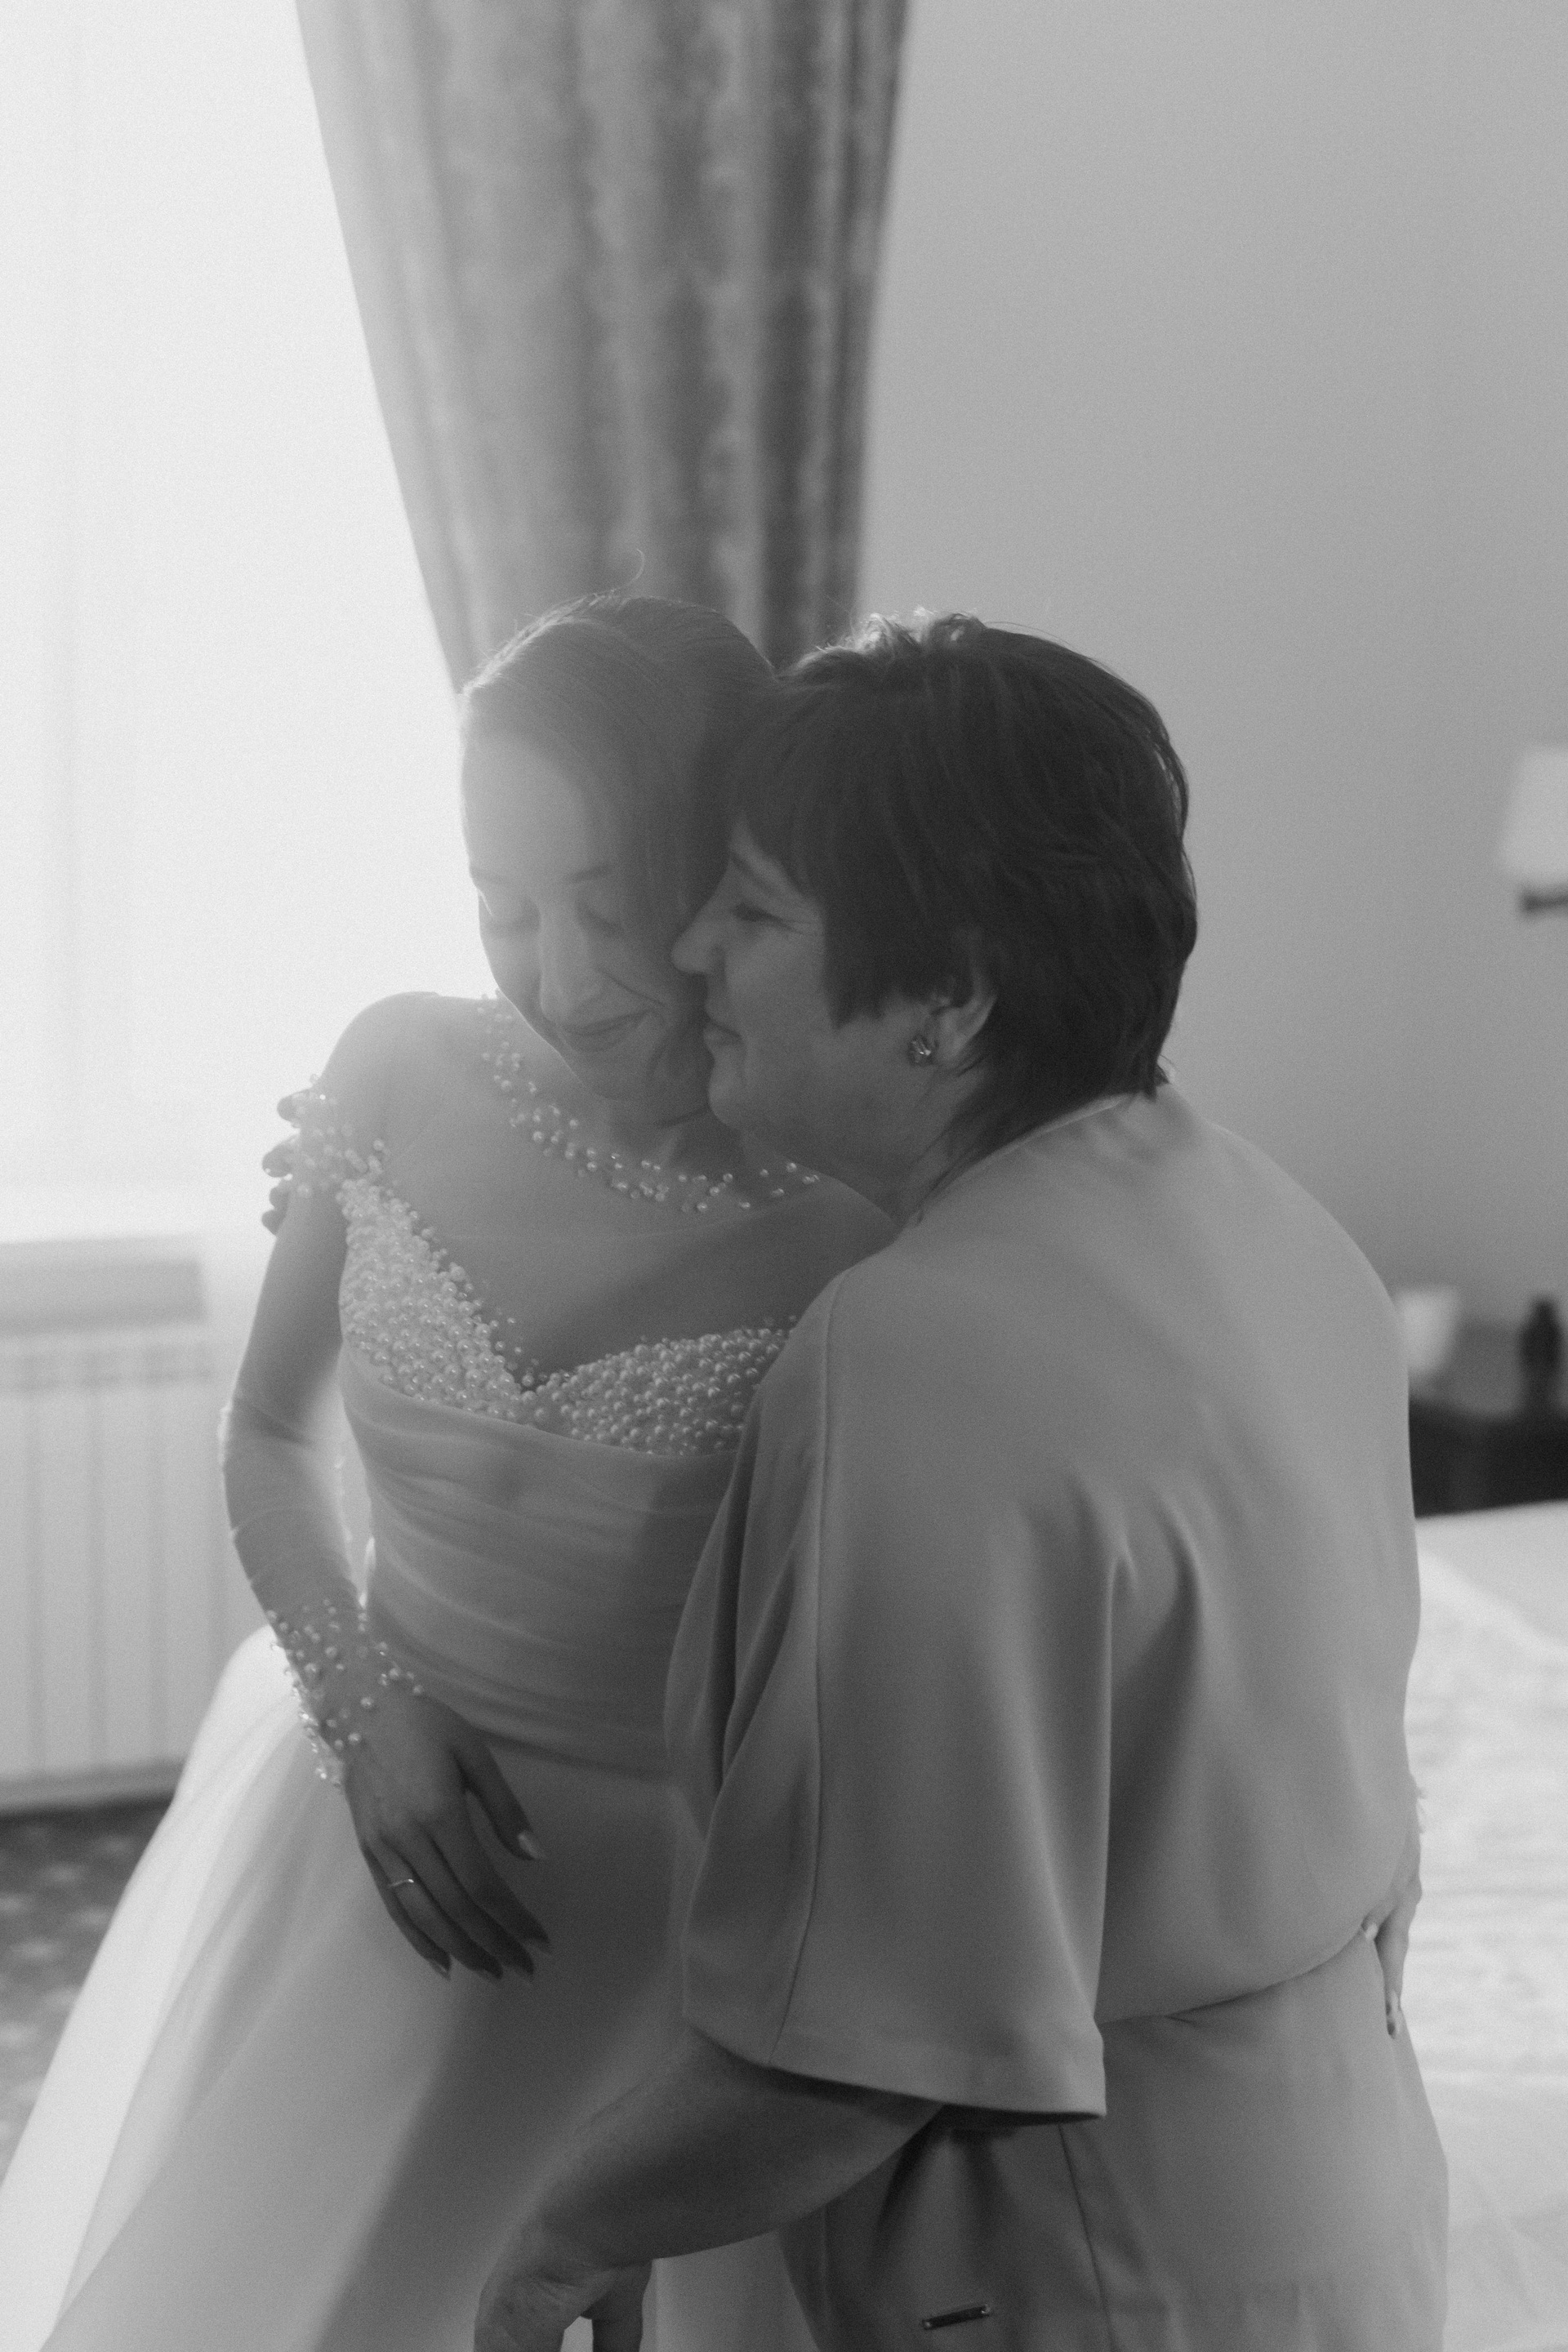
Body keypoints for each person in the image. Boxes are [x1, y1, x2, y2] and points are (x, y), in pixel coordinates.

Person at [474, 612, 1446, 2352]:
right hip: (1340, 2198)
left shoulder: (910, 1358)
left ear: (950, 999)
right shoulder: (1279, 1227)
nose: (691, 949)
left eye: (753, 910)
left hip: (1091, 2265)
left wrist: (562, 2235)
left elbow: (857, 2052)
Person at [0, 596, 888, 2352]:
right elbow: (269, 1431)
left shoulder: (848, 1219)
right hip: (372, 1824)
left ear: (725, 878)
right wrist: (367, 1716)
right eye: (502, 905)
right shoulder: (395, 1067)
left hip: (670, 1913)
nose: (559, 977)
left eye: (610, 910)